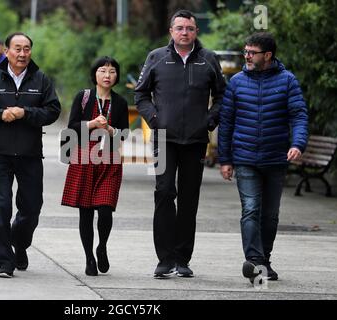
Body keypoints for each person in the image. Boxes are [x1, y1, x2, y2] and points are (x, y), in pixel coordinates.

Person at [135, 9, 226, 278]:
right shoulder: (156, 57)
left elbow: (222, 96)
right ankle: (164, 259)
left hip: (196, 141)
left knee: (189, 200)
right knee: (164, 193)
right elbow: (141, 94)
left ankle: (182, 258)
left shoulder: (209, 59)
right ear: (171, 32)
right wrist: (154, 118)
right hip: (164, 138)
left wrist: (209, 121)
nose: (184, 32)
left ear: (196, 31)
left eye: (189, 28)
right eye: (180, 28)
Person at [0, 32, 61, 278]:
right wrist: (0, 114)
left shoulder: (41, 79)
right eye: (17, 49)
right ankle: (5, 262)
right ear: (6, 51)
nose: (22, 54)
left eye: (27, 49)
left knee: (31, 208)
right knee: (1, 208)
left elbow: (53, 110)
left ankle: (19, 244)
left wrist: (26, 113)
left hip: (30, 154)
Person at [218, 32, 308, 283]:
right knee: (250, 209)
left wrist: (298, 143)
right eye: (245, 51)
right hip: (245, 159)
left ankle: (264, 260)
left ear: (267, 55)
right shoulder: (236, 82)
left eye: (251, 52)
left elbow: (298, 115)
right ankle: (255, 261)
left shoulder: (287, 81)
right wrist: (225, 160)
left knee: (270, 215)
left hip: (275, 159)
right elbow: (226, 123)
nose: (246, 56)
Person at [61, 56, 129, 276]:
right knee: (86, 212)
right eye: (102, 71)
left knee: (106, 208)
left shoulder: (120, 103)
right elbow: (71, 128)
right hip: (84, 158)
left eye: (111, 71)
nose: (107, 75)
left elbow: (125, 134)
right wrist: (91, 124)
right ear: (95, 75)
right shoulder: (84, 97)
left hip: (109, 160)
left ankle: (102, 247)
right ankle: (89, 257)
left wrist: (110, 130)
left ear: (116, 76)